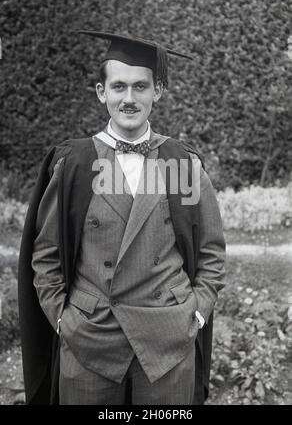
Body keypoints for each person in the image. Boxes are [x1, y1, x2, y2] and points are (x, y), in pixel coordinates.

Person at [18, 31, 226, 405]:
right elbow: (46, 254)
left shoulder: (181, 164)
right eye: (118, 87)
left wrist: (195, 314)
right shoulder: (75, 164)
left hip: (168, 341)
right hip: (90, 340)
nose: (129, 99)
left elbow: (211, 252)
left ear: (156, 92)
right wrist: (64, 321)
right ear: (102, 92)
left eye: (140, 87)